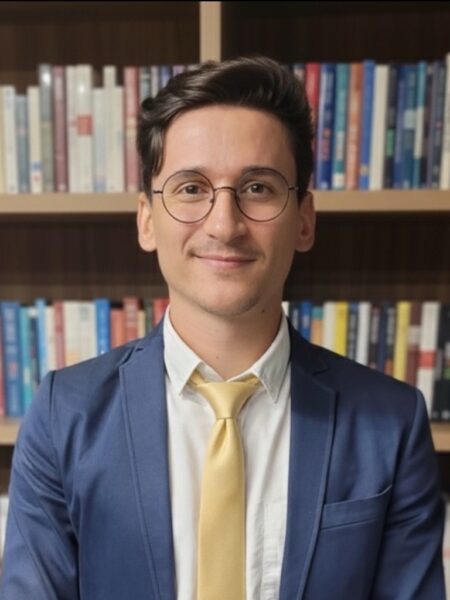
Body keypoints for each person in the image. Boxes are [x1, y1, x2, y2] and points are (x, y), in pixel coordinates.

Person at [0, 56, 445, 600]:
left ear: (304, 219)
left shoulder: (390, 423)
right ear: (147, 219)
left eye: (257, 188)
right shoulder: (62, 416)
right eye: (191, 188)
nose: (224, 224)